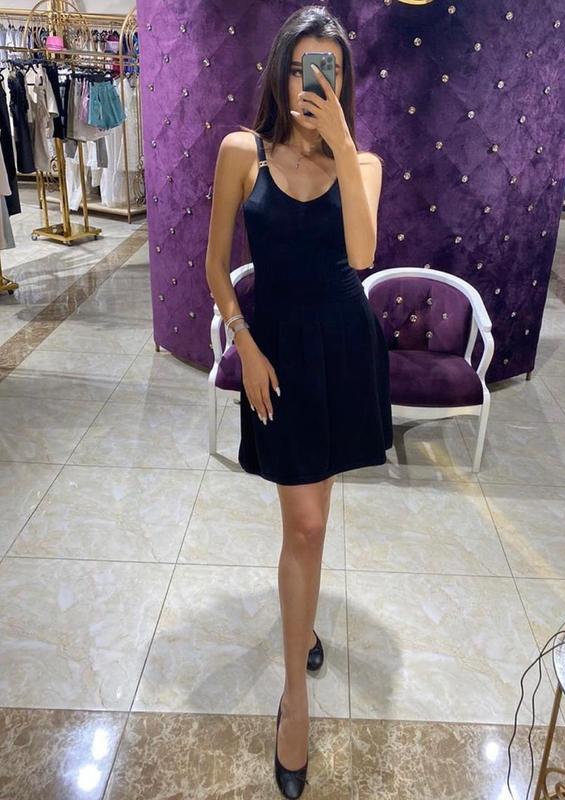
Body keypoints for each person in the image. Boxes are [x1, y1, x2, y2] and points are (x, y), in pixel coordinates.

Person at [205, 6, 393, 797]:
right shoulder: (241, 152)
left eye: (331, 70)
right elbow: (215, 267)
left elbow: (361, 254)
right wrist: (244, 343)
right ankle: (296, 699)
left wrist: (343, 144)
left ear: (344, 82)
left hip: (343, 351)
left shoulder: (364, 162)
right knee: (305, 524)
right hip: (275, 357)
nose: (315, 82)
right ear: (281, 72)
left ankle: (303, 630)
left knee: (315, 518)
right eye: (302, 67)